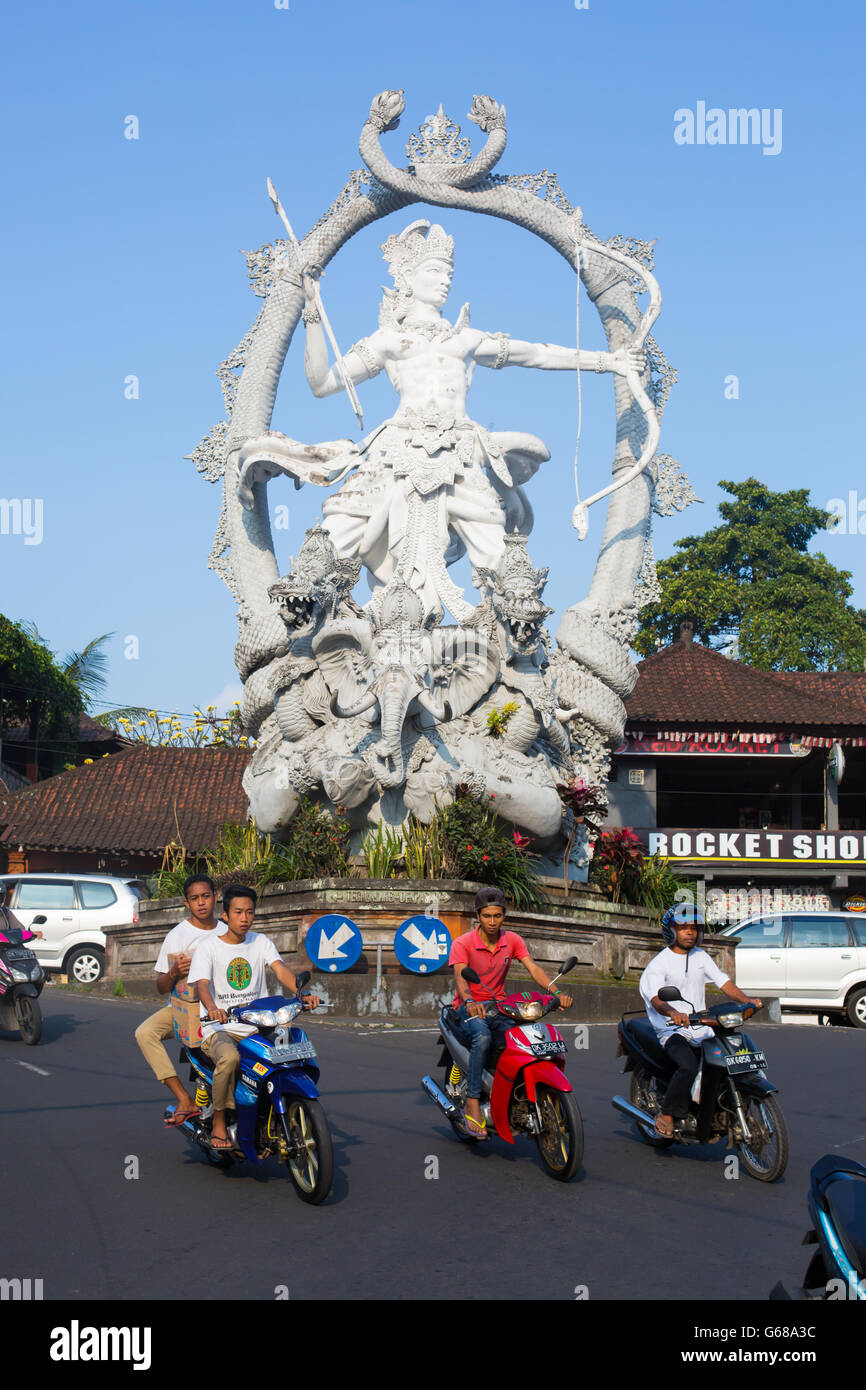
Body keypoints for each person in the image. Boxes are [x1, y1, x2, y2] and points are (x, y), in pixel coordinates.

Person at [236, 219, 644, 620]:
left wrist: (608, 361)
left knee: (499, 551)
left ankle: (515, 642)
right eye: (435, 271)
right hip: (396, 449)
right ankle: (303, 625)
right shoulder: (390, 340)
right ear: (408, 278)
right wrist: (312, 314)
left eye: (449, 273)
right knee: (339, 526)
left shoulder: (465, 339)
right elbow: (322, 383)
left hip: (460, 452)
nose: (445, 280)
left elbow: (535, 354)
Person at [187, 882, 320, 1151]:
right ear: (225, 915)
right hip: (220, 1027)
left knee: (295, 1048)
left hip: (261, 1025)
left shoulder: (261, 942)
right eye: (238, 912)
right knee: (230, 1058)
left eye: (249, 912)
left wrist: (300, 994)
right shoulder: (208, 947)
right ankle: (220, 1122)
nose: (245, 918)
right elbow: (201, 984)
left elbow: (281, 970)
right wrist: (212, 1007)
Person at [448, 886, 573, 1140]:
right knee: (481, 1038)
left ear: (504, 915)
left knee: (525, 1039)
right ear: (478, 916)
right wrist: (470, 1000)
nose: (492, 922)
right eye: (487, 916)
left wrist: (556, 992)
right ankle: (473, 1100)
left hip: (500, 1006)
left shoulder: (512, 940)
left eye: (497, 916)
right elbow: (461, 978)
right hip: (469, 1007)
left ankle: (515, 1094)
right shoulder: (463, 944)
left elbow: (533, 969)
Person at [640, 903, 763, 1139]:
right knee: (688, 1066)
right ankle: (666, 1114)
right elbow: (656, 999)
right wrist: (672, 1013)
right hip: (673, 1030)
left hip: (702, 1027)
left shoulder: (700, 956)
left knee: (728, 1059)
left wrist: (747, 1001)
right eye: (684, 927)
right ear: (671, 930)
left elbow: (723, 983)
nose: (690, 932)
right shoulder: (659, 964)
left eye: (694, 928)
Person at [134, 874, 220, 1126]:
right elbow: (161, 986)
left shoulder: (229, 931)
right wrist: (174, 972)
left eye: (206, 896)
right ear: (187, 903)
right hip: (183, 1012)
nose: (202, 903)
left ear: (215, 896)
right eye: (195, 899)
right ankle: (183, 1097)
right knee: (144, 1033)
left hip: (221, 1009)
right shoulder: (177, 935)